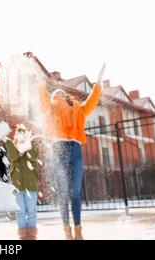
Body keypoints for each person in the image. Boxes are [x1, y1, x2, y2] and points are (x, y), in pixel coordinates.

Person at [39, 64, 106, 240]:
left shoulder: (78, 109)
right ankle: (66, 229)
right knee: (63, 191)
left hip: (76, 149)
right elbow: (44, 99)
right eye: (55, 93)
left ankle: (78, 230)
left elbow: (91, 102)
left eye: (61, 92)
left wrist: (97, 86)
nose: (58, 93)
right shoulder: (52, 107)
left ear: (67, 95)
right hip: (59, 148)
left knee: (75, 192)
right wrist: (40, 83)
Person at [5, 123, 40, 240]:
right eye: (19, 133)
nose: (21, 135)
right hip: (18, 186)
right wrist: (19, 147)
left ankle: (31, 236)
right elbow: (14, 157)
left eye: (23, 133)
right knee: (20, 213)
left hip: (31, 186)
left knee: (31, 212)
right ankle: (23, 237)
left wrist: (27, 145)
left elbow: (33, 157)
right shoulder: (11, 145)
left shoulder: (30, 145)